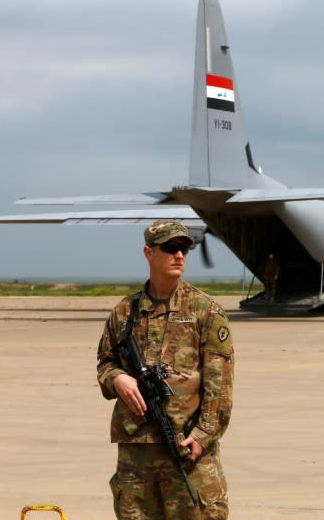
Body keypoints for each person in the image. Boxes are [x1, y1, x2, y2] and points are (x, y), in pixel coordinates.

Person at [97, 220, 234, 520]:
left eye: (184, 249)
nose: (179, 256)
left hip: (187, 453)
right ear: (149, 252)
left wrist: (202, 435)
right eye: (170, 248)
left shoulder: (205, 311)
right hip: (137, 457)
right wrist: (118, 378)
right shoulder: (124, 312)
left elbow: (219, 389)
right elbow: (105, 362)